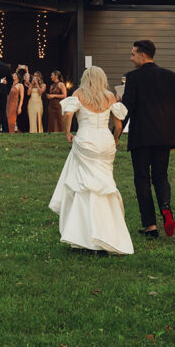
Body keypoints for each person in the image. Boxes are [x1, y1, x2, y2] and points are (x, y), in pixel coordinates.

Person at [48, 66, 133, 254]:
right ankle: (108, 234)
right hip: (104, 142)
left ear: (85, 78)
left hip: (86, 141)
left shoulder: (79, 93)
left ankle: (83, 236)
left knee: (83, 187)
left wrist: (68, 133)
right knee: (105, 187)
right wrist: (115, 141)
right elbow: (118, 125)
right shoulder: (110, 96)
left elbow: (68, 115)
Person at [119, 39, 175, 239]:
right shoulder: (170, 76)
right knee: (161, 176)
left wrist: (115, 131)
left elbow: (126, 108)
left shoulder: (133, 77)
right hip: (164, 136)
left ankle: (150, 226)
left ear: (143, 55)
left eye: (133, 54)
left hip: (142, 136)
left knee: (142, 179)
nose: (131, 58)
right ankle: (165, 207)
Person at [15, 67, 30, 134]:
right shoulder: (21, 84)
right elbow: (15, 77)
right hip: (21, 102)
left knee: (26, 117)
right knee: (19, 117)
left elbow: (27, 77)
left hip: (27, 102)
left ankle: (26, 131)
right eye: (23, 76)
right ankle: (19, 131)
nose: (24, 77)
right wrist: (17, 70)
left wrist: (27, 70)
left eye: (25, 76)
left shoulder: (29, 84)